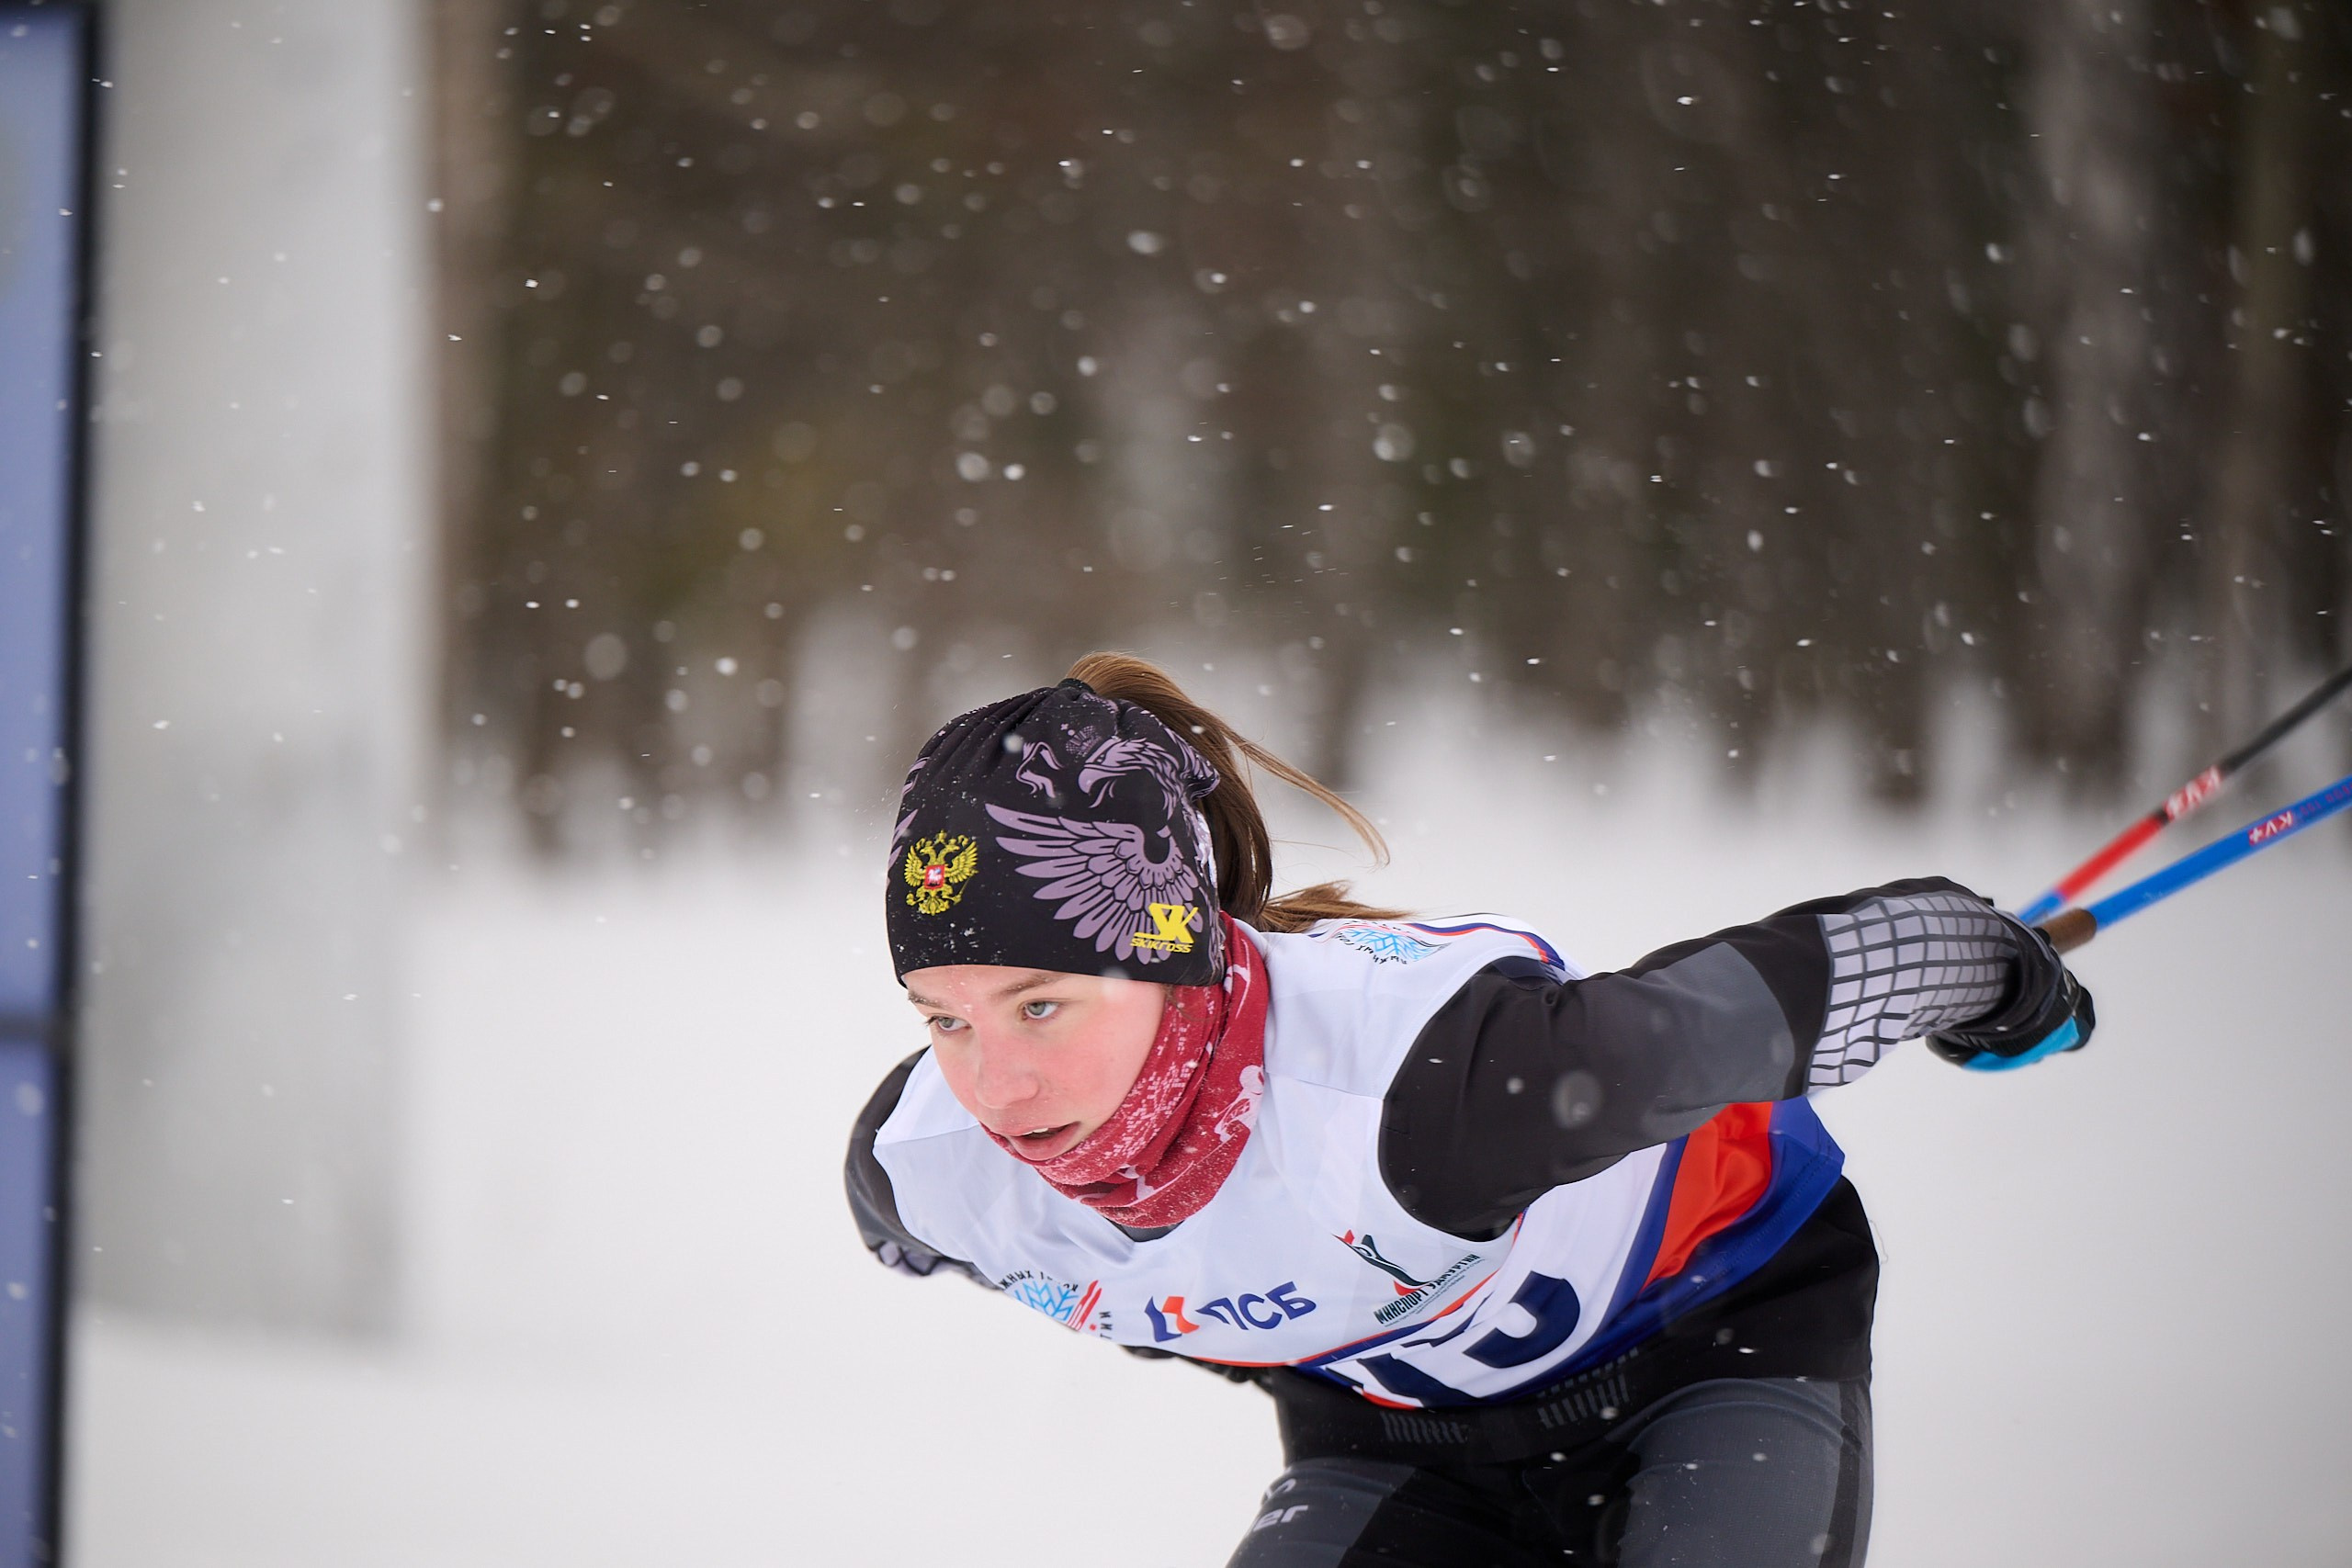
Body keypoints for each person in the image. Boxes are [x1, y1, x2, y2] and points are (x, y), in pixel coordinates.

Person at [845, 652, 2094, 1567]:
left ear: (1180, 962)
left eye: (1043, 1005)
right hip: (1400, 1440)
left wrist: (2001, 973)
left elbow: (1774, 995)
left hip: (1712, 1334)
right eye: (944, 1019)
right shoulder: (934, 1179)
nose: (998, 1087)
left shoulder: (1426, 1091)